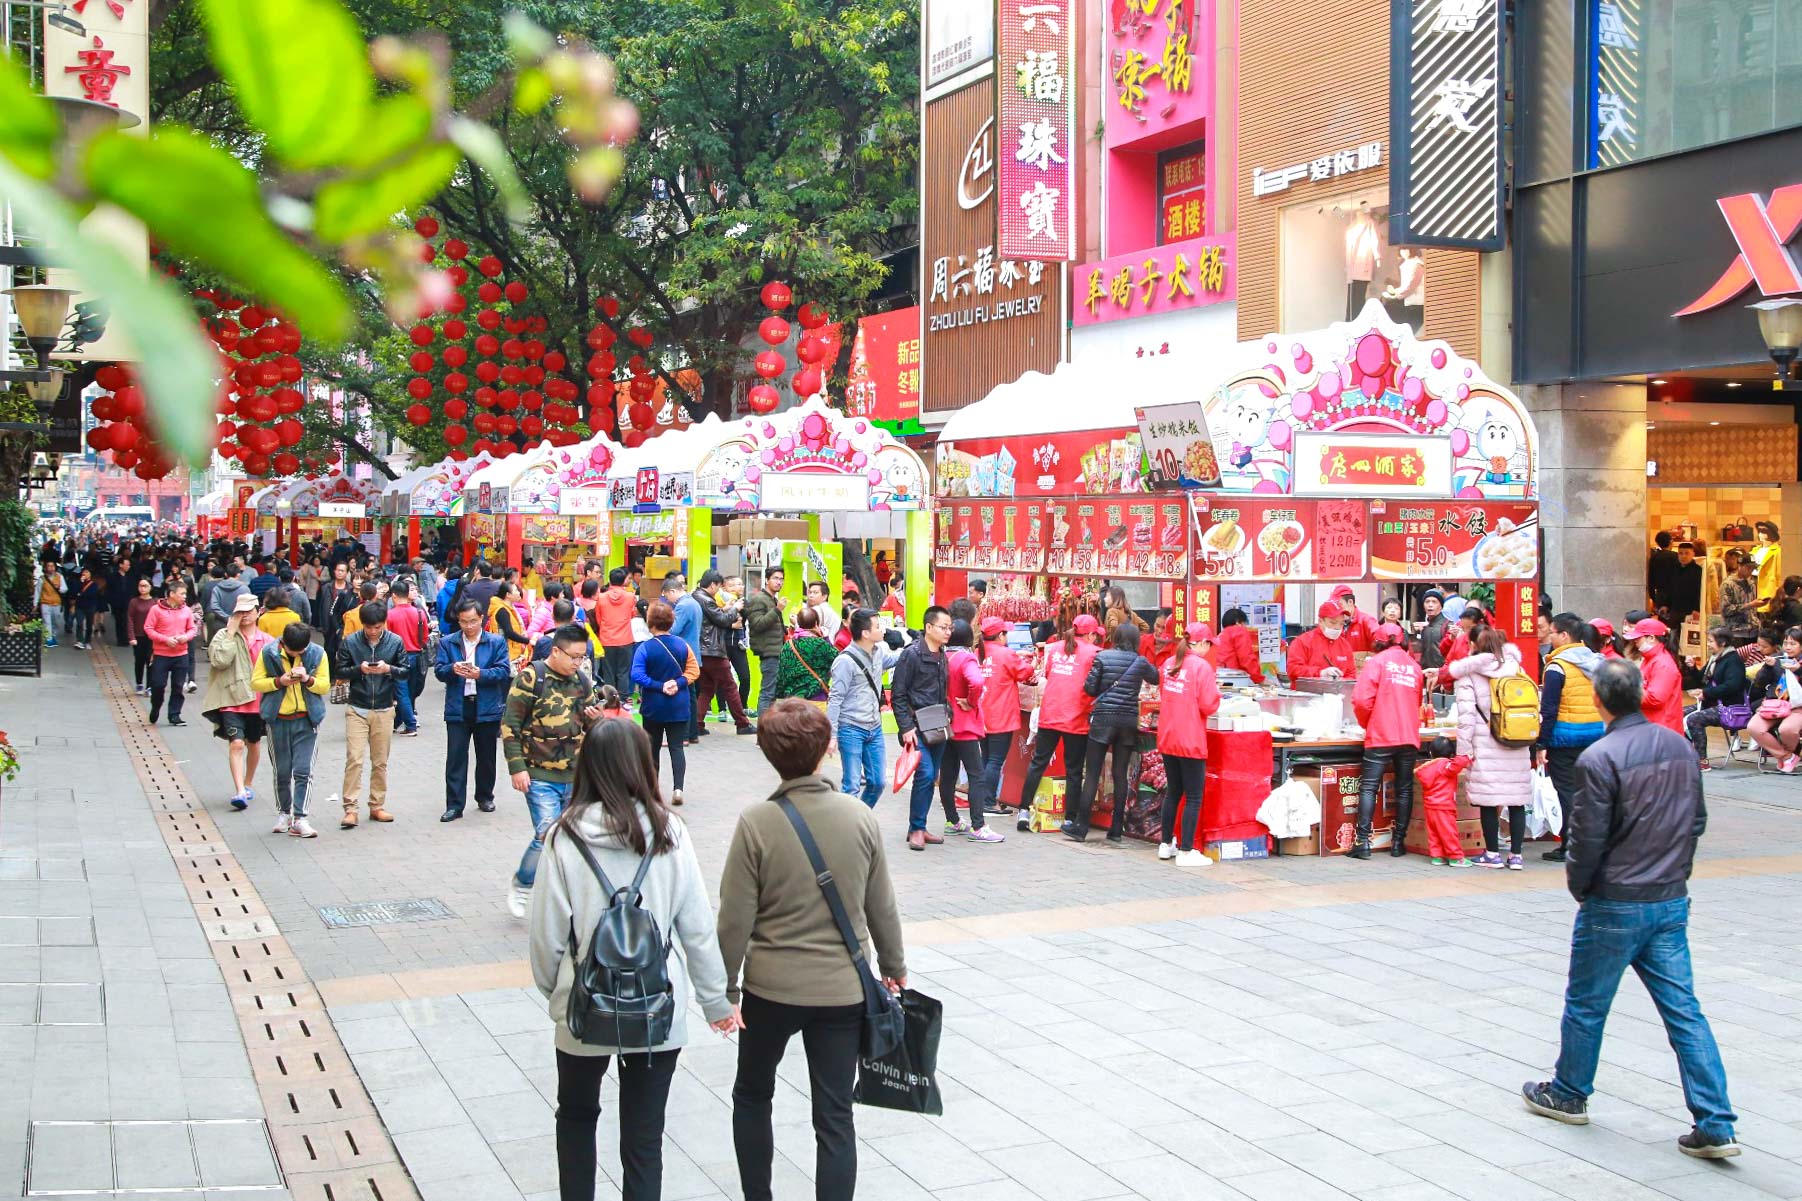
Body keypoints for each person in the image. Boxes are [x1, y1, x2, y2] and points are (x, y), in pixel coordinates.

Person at [1520, 658, 1739, 1159]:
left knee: (1587, 1004)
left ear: (1598, 700)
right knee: (1685, 1012)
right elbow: (1696, 822)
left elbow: (1587, 840)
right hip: (1667, 897)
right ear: (1640, 694)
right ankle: (1716, 1119)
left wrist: (1582, 888)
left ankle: (1570, 1091)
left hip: (1616, 900)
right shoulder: (1680, 748)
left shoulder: (1600, 758)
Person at [526, 718, 735, 1201]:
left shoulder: (565, 835)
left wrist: (557, 992)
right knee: (644, 1137)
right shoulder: (671, 831)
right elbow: (697, 926)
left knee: (576, 1117)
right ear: (644, 765)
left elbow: (546, 936)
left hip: (585, 1001)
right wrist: (715, 1002)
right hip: (656, 1002)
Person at [717, 700, 906, 1201]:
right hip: (842, 991)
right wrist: (893, 967)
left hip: (770, 990)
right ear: (825, 752)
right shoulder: (858, 817)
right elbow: (881, 904)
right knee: (835, 1114)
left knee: (753, 1094)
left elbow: (734, 917)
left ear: (768, 754)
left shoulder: (756, 822)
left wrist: (726, 988)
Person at [501, 625, 604, 917]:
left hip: (575, 774)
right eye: (573, 657)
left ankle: (569, 895)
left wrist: (594, 719)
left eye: (583, 658)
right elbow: (510, 724)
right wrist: (516, 767)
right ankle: (523, 884)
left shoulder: (582, 681)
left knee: (573, 836)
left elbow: (590, 723)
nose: (578, 663)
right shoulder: (531, 677)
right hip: (538, 773)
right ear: (556, 651)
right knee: (547, 832)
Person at [1067, 623, 1159, 844]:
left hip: (1103, 719)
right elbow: (1156, 678)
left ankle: (1081, 827)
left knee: (1092, 774)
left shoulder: (1103, 657)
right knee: (1121, 775)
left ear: (1115, 637)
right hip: (1127, 721)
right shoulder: (1140, 661)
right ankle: (1116, 829)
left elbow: (1089, 688)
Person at [1450, 627, 1533, 870]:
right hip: (1516, 740)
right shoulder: (1517, 669)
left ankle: (1492, 854)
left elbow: (1466, 719)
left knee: (1488, 801)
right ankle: (1516, 856)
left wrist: (1463, 752)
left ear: (1475, 645)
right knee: (1516, 800)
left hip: (1486, 742)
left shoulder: (1470, 674)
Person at [1016, 613, 1102, 832]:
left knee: (1038, 763)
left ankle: (1023, 811)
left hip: (1050, 712)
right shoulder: (1095, 653)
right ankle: (1069, 819)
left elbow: (1047, 674)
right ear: (1091, 634)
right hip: (1076, 716)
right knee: (1073, 771)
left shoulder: (1053, 648)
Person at [1348, 622, 1426, 859]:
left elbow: (1361, 701)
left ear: (1378, 643)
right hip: (1408, 735)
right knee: (1403, 789)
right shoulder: (1414, 667)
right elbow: (1417, 701)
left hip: (1382, 733)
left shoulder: (1376, 663)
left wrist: (1367, 724)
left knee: (1369, 787)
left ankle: (1362, 843)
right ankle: (1398, 843)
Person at [435, 598, 514, 822]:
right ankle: (454, 804)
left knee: (486, 756)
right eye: (463, 622)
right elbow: (439, 671)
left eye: (472, 621)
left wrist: (480, 674)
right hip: (458, 706)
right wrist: (453, 668)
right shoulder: (448, 643)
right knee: (456, 757)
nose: (468, 626)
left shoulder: (495, 642)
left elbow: (502, 671)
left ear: (481, 619)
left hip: (486, 705)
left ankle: (485, 796)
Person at [331, 601, 407, 830]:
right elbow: (339, 670)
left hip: (384, 707)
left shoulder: (395, 642)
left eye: (377, 626)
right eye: (368, 627)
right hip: (357, 706)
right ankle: (350, 808)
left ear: (383, 623)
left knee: (380, 761)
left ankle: (376, 805)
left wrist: (388, 669)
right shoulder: (351, 642)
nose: (373, 631)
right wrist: (359, 669)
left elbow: (405, 672)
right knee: (354, 759)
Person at [251, 622, 331, 838]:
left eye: (301, 651)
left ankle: (300, 818)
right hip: (278, 719)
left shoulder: (317, 653)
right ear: (283, 643)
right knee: (282, 771)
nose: (297, 654)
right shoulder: (268, 653)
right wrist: (279, 681)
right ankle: (284, 813)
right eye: (292, 651)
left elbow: (325, 685)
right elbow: (256, 682)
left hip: (307, 719)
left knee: (304, 770)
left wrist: (307, 679)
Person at [1537, 614, 1606, 863]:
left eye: (1552, 632)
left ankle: (1571, 845)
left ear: (1564, 636)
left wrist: (1541, 743)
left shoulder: (1557, 667)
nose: (1549, 636)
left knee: (1567, 793)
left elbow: (1549, 710)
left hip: (1565, 739)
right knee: (1589, 791)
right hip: (1595, 735)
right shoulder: (1597, 661)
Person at [1156, 623, 1222, 866]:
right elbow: (1209, 705)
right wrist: (1218, 697)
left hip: (1168, 734)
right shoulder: (1201, 667)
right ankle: (1186, 851)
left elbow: (1164, 694)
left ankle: (1166, 844)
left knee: (1173, 791)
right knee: (1194, 796)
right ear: (1202, 643)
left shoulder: (1169, 663)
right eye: (1209, 644)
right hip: (1191, 737)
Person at [202, 594, 273, 812]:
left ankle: (249, 783)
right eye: (239, 612)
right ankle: (240, 790)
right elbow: (220, 661)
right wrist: (231, 633)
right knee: (236, 743)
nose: (244, 616)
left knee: (253, 742)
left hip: (257, 699)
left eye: (248, 611)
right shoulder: (224, 636)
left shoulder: (267, 640)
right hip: (231, 698)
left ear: (258, 611)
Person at [891, 604, 953, 852]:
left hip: (939, 725)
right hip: (916, 727)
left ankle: (920, 826)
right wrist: (905, 727)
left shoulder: (943, 653)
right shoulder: (912, 654)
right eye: (943, 627)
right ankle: (916, 828)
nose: (948, 631)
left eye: (950, 627)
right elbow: (898, 694)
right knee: (925, 774)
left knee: (931, 778)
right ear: (929, 627)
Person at [936, 620, 1004, 843]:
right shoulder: (966, 657)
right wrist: (971, 702)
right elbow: (976, 681)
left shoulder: (941, 656)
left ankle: (952, 820)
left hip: (944, 724)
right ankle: (978, 826)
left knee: (948, 774)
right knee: (976, 774)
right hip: (964, 724)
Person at [827, 609, 902, 810]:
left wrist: (916, 644)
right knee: (851, 785)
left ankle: (860, 818)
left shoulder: (878, 653)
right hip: (850, 728)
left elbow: (896, 660)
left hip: (874, 728)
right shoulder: (845, 661)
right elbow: (835, 699)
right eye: (878, 626)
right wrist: (832, 735)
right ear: (865, 633)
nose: (882, 630)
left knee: (878, 782)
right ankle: (847, 829)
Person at [632, 601, 701, 808]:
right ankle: (678, 789)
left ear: (650, 623)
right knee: (676, 748)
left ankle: (653, 791)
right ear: (671, 622)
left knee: (652, 750)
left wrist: (658, 685)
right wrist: (677, 683)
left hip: (653, 706)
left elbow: (636, 674)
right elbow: (694, 671)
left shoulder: (645, 647)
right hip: (679, 704)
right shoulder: (683, 645)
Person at [975, 617, 1031, 817]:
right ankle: (989, 802)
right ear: (1000, 635)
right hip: (1001, 715)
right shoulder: (1006, 654)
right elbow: (1025, 673)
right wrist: (1025, 659)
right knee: (996, 760)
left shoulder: (978, 653)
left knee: (986, 758)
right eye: (1005, 633)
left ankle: (981, 799)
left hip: (981, 715)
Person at [692, 571, 754, 736]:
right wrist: (735, 608)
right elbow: (723, 620)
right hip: (712, 650)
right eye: (718, 587)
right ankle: (742, 723)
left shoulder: (696, 597)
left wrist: (726, 609)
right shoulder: (706, 599)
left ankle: (697, 724)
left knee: (707, 688)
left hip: (702, 649)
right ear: (712, 585)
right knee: (730, 686)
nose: (719, 591)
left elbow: (715, 617)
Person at [1686, 628, 1749, 770]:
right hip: (1711, 703)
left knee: (1694, 719)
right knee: (1678, 714)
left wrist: (1706, 693)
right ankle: (1686, 754)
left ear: (1723, 642)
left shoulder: (1733, 660)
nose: (1708, 644)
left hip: (1728, 707)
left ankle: (1702, 760)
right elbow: (1701, 681)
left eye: (1710, 641)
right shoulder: (1715, 659)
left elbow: (1732, 685)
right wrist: (1692, 668)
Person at [143, 580, 199, 727]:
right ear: (171, 594)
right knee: (158, 685)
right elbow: (148, 628)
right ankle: (156, 707)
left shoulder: (186, 610)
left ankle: (174, 714)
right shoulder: (156, 609)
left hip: (181, 654)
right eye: (182, 594)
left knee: (178, 686)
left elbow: (192, 629)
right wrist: (165, 639)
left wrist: (185, 637)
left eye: (185, 594)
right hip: (161, 654)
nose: (185, 596)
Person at [1746, 628, 1802, 772]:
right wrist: (1768, 668)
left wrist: (1798, 671)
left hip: (1797, 707)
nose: (1788, 647)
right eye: (1786, 643)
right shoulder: (1777, 659)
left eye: (1793, 643)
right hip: (1776, 705)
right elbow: (1759, 682)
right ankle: (1786, 757)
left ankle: (1789, 756)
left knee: (1787, 730)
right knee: (1754, 727)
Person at [384, 579, 427, 736]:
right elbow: (424, 638)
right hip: (416, 654)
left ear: (394, 596)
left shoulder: (390, 615)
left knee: (401, 692)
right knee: (409, 691)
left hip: (398, 657)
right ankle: (397, 722)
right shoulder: (420, 613)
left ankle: (410, 724)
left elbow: (386, 639)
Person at [742, 567, 787, 716]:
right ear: (767, 580)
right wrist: (777, 610)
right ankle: (764, 732)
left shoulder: (771, 599)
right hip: (768, 652)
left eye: (781, 579)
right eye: (775, 578)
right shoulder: (759, 599)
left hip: (775, 651)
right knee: (768, 693)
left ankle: (769, 730)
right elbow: (757, 624)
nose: (778, 582)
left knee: (772, 693)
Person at [1627, 617, 1684, 735]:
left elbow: (1654, 699)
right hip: (1654, 727)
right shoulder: (1651, 659)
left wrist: (1628, 690)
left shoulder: (1662, 664)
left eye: (1638, 638)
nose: (1635, 642)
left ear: (1651, 638)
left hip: (1662, 730)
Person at [590, 567, 639, 697]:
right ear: (623, 580)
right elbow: (632, 614)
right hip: (625, 639)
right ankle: (622, 698)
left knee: (608, 671)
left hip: (607, 638)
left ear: (609, 580)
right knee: (623, 671)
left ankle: (609, 697)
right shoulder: (630, 597)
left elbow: (598, 617)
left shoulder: (601, 597)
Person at [774, 606, 838, 701]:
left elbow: (781, 674)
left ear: (798, 623)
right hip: (816, 699)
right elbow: (837, 660)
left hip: (792, 701)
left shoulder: (788, 645)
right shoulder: (821, 645)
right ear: (816, 623)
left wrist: (779, 696)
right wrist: (826, 638)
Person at [1287, 600, 1356, 681]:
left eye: (1341, 623)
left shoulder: (1345, 645)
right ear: (1320, 621)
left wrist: (1342, 682)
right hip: (1307, 692)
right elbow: (1293, 670)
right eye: (1333, 622)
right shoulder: (1303, 642)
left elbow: (1351, 674)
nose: (1337, 627)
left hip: (1337, 692)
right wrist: (1320, 673)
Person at [1211, 608, 1266, 682]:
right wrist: (1259, 679)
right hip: (1233, 678)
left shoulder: (1222, 635)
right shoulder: (1239, 630)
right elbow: (1246, 657)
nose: (1246, 626)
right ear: (1238, 622)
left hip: (1218, 677)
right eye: (1245, 623)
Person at [126, 576, 158, 695]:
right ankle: (139, 683)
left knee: (151, 661)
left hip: (152, 637)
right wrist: (131, 636)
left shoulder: (155, 602)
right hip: (138, 636)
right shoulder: (134, 601)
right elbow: (129, 619)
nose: (142, 588)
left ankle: (149, 686)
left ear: (151, 587)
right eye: (140, 586)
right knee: (139, 661)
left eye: (145, 586)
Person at [1329, 585, 1379, 652]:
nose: (1336, 608)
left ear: (1350, 602)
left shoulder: (1366, 620)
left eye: (1339, 604)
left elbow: (1379, 637)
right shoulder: (1333, 624)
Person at [1720, 553, 1757, 633]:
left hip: (1752, 630)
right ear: (1739, 566)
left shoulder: (1751, 583)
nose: (1751, 571)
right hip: (1735, 631)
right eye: (1748, 567)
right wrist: (1749, 605)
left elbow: (1753, 611)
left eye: (1753, 568)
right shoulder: (1728, 584)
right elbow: (1725, 610)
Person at [1670, 542, 1704, 624]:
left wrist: (1697, 609)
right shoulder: (1673, 569)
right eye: (1680, 553)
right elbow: (1670, 588)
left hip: (1691, 611)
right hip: (1675, 609)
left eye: (1687, 553)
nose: (1683, 556)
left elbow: (1700, 591)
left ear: (1693, 554)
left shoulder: (1698, 571)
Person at [70, 568, 104, 650]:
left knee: (89, 624)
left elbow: (91, 594)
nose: (84, 573)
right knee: (79, 623)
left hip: (90, 606)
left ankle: (87, 641)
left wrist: (80, 594)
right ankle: (80, 640)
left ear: (90, 574)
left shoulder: (94, 584)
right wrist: (80, 584)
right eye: (84, 572)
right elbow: (73, 592)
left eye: (87, 572)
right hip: (79, 606)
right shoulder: (78, 582)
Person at [1647, 530, 1680, 613]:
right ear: (1671, 541)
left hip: (1660, 594)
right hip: (1674, 594)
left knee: (1663, 620)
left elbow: (1650, 578)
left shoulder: (1654, 557)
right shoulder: (1676, 556)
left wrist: (1653, 597)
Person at [1418, 589, 1448, 669]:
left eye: (1434, 602)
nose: (1430, 605)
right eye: (1427, 602)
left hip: (1440, 674)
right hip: (1426, 673)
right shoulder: (1425, 627)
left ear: (1441, 606)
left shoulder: (1447, 626)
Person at [38, 561, 63, 648]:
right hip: (45, 602)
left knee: (56, 620)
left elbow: (65, 589)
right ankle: (48, 639)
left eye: (52, 566)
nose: (51, 568)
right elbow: (38, 591)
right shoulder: (42, 578)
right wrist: (35, 603)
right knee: (46, 621)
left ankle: (53, 635)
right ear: (45, 568)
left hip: (56, 602)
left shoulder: (60, 577)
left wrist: (59, 588)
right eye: (48, 566)